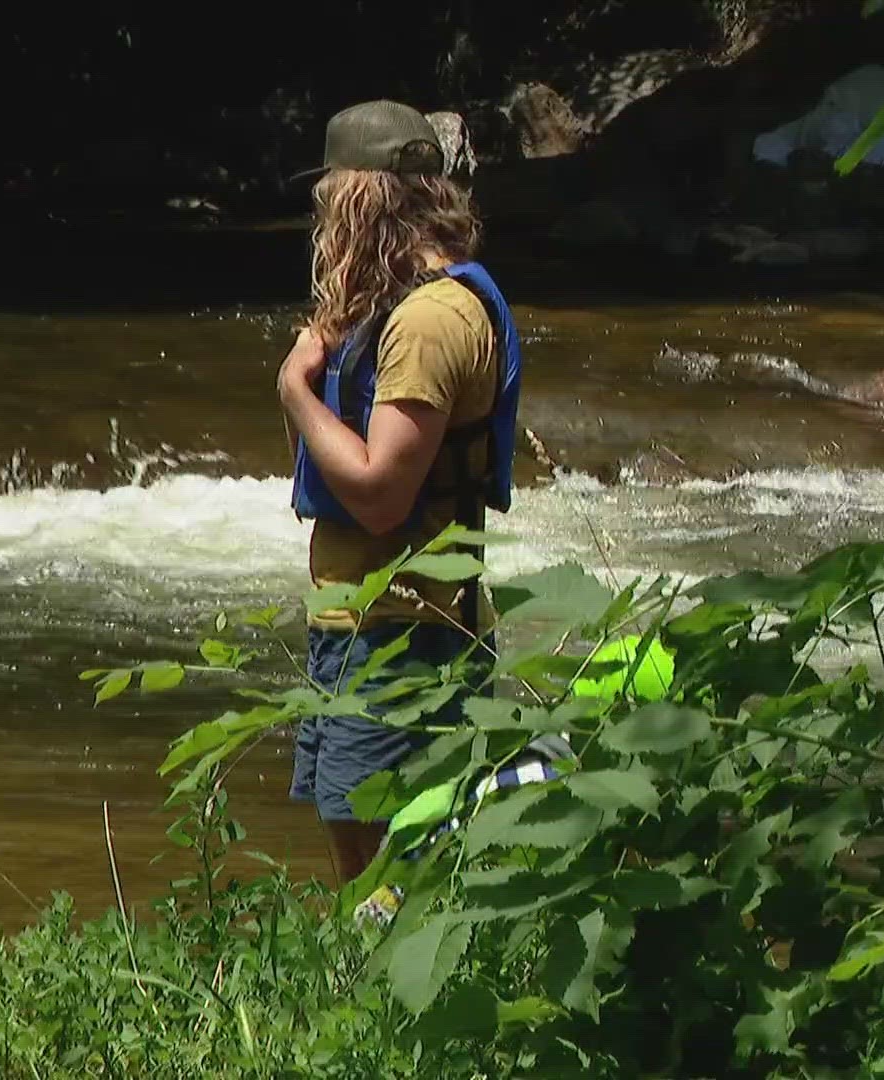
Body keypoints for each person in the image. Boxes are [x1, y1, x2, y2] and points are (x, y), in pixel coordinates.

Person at [279, 101, 523, 883]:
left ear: (359, 200)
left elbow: (382, 496)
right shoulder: (385, 313)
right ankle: (366, 996)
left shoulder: (429, 323)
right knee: (359, 860)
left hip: (406, 631)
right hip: (359, 624)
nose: (324, 228)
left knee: (390, 873)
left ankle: (394, 1002)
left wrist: (295, 393)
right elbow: (321, 469)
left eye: (329, 204)